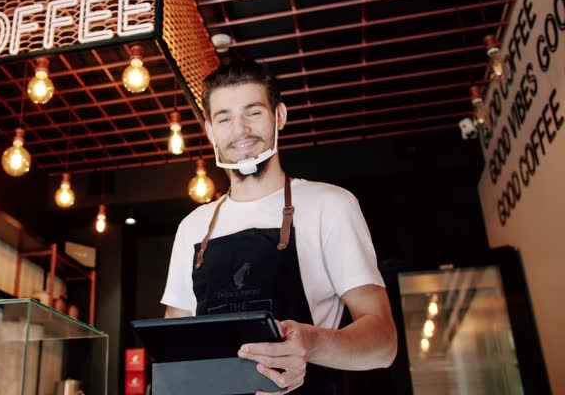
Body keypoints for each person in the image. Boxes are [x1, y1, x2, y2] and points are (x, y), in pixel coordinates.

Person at [160, 59, 397, 394]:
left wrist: (311, 343)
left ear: (279, 116)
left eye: (253, 112)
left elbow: (384, 344)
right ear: (210, 131)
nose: (240, 129)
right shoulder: (192, 227)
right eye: (224, 118)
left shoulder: (330, 205)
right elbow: (175, 351)